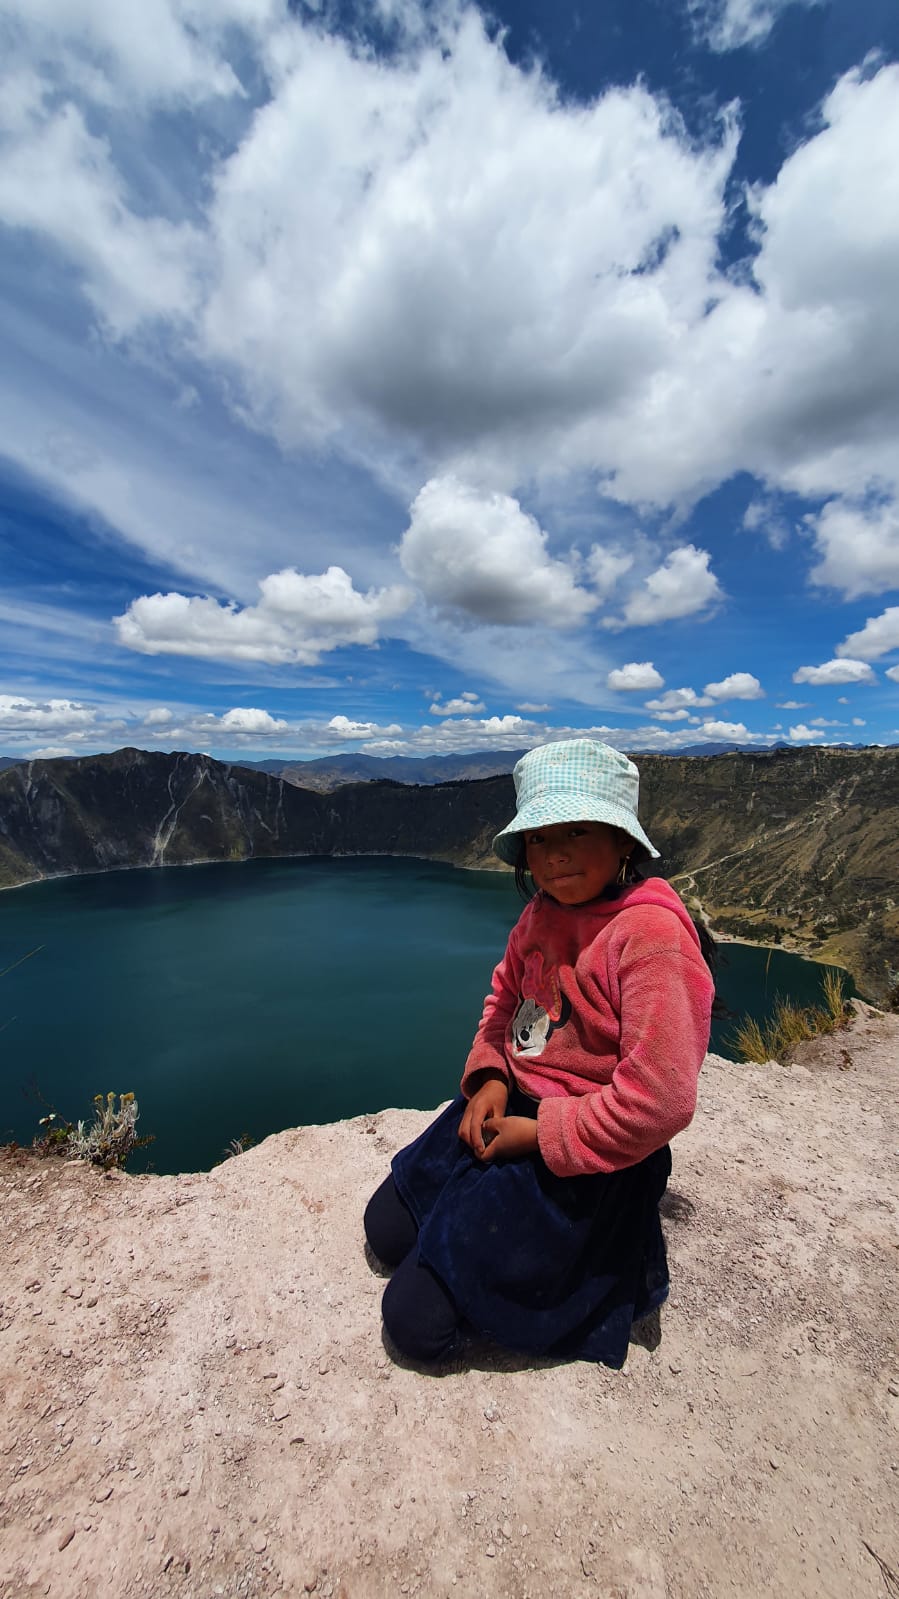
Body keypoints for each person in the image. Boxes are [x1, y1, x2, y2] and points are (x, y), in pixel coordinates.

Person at [363, 738, 715, 1369]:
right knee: (386, 1230)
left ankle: (592, 1274)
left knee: (415, 1324)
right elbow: (504, 1003)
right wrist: (492, 1077)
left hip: (587, 1145)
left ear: (623, 841)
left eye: (578, 830)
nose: (554, 854)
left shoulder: (650, 938)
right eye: (538, 837)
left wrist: (538, 1135)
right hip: (520, 1104)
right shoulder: (539, 916)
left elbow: (659, 1103)